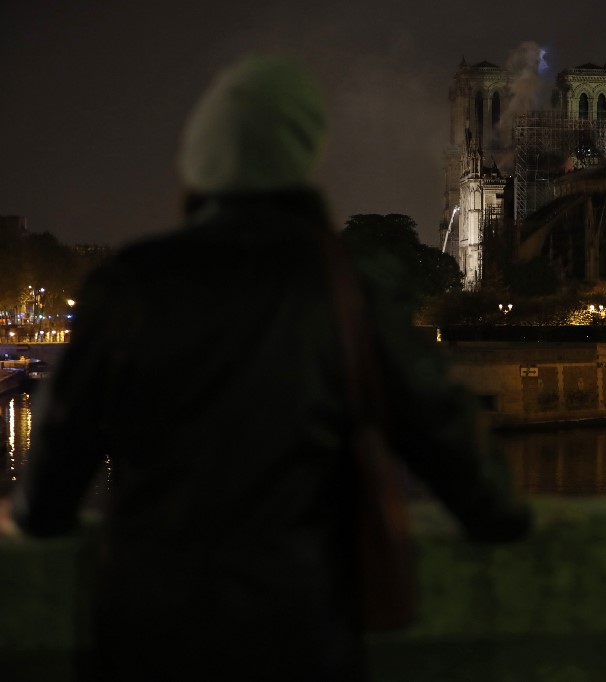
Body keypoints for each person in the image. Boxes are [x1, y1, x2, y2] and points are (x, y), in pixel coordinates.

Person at [3, 54, 529, 680]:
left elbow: (48, 496)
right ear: (301, 165)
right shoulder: (350, 287)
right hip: (301, 629)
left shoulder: (127, 284)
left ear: (200, 165)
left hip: (150, 630)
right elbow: (466, 468)